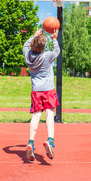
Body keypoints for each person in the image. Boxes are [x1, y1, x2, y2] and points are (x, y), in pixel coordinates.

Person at [23, 28, 60, 161]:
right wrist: (54, 39)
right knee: (50, 113)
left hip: (36, 90)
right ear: (44, 47)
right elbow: (57, 51)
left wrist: (35, 35)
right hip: (48, 90)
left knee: (36, 115)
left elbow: (25, 45)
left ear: (32, 44)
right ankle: (50, 140)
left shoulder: (27, 55)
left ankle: (31, 143)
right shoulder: (48, 55)